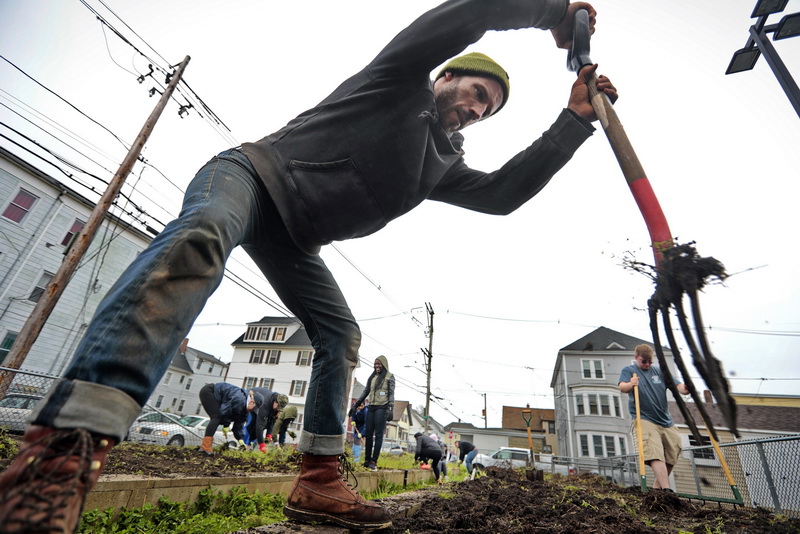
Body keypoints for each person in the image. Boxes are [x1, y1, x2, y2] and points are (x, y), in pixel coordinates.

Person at [0, 1, 617, 531]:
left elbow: (505, 194)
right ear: (449, 75)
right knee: (204, 235)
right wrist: (551, 15)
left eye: (490, 111)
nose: (478, 109)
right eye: (478, 93)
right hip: (249, 175)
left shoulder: (441, 165)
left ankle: (319, 478)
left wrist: (572, 123)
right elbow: (473, 15)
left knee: (339, 334)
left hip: (296, 238)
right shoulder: (398, 80)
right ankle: (62, 449)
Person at [618, 344, 689, 491]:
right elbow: (622, 388)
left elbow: (680, 388)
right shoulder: (629, 371)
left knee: (673, 453)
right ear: (636, 357)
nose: (647, 365)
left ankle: (657, 490)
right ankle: (667, 490)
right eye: (644, 361)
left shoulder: (660, 372)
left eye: (650, 362)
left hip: (666, 420)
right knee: (655, 453)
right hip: (644, 418)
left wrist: (687, 387)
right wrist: (631, 384)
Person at [351, 356, 395, 471]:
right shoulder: (372, 377)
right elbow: (366, 391)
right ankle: (367, 460)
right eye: (375, 364)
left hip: (382, 407)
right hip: (371, 407)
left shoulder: (389, 377)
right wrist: (356, 405)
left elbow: (391, 393)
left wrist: (390, 408)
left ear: (384, 365)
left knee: (378, 435)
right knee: (368, 434)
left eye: (379, 364)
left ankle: (374, 461)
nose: (377, 366)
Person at [199, 383, 263, 455]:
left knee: (218, 417)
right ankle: (205, 446)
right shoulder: (239, 399)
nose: (252, 411)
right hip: (210, 391)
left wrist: (240, 439)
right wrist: (226, 425)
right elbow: (225, 410)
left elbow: (238, 425)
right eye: (254, 409)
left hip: (218, 398)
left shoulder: (245, 411)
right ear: (251, 402)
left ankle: (205, 447)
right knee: (217, 417)